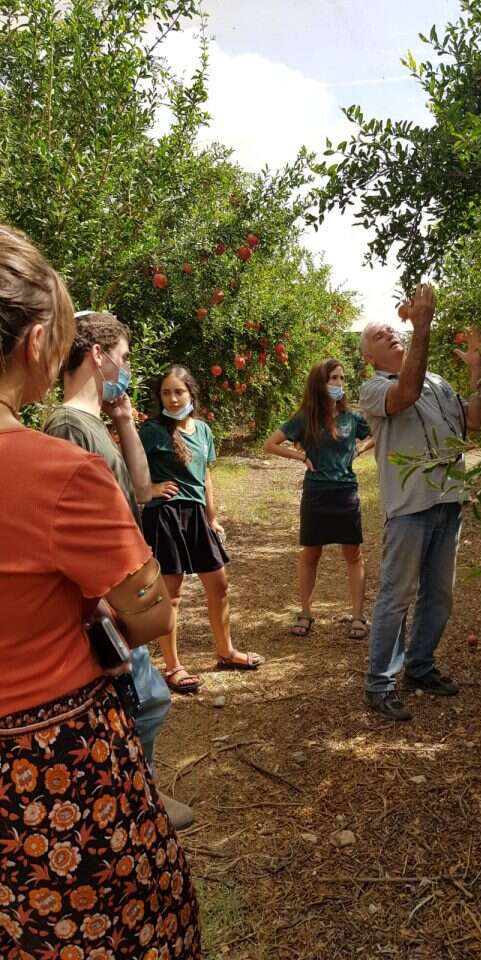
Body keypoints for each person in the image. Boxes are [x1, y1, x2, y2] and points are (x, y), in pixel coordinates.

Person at [0, 224, 201, 957]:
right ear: (36, 344)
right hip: (50, 767)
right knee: (130, 926)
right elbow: (145, 609)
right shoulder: (54, 469)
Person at [44, 310, 192, 830]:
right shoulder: (66, 425)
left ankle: (138, 796)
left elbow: (142, 488)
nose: (128, 369)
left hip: (118, 582)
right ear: (98, 355)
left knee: (141, 700)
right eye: (124, 358)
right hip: (100, 592)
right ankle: (132, 802)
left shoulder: (95, 424)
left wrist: (126, 420)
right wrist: (98, 603)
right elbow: (67, 523)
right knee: (143, 699)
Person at [359, 282, 481, 721]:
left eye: (390, 331)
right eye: (379, 337)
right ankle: (379, 682)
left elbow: (474, 422)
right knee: (397, 596)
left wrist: (476, 369)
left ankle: (420, 667)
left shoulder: (438, 381)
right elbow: (405, 394)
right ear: (369, 357)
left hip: (449, 500)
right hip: (410, 506)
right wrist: (423, 327)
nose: (390, 335)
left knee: (440, 595)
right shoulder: (373, 390)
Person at [139, 365, 265, 692]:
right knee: (173, 595)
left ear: (191, 393)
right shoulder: (151, 431)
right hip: (165, 515)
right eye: (166, 392)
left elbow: (206, 477)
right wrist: (149, 490)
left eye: (178, 391)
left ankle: (226, 652)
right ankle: (173, 667)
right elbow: (127, 469)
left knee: (219, 585)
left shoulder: (204, 430)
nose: (173, 398)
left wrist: (213, 518)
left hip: (196, 515)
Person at [263, 359, 374, 639]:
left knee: (353, 553)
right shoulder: (304, 417)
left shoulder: (352, 418)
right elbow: (270, 444)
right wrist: (301, 456)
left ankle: (359, 616)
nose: (338, 384)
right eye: (332, 378)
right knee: (311, 553)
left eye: (341, 378)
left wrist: (360, 450)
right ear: (319, 384)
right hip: (316, 493)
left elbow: (380, 432)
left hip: (346, 492)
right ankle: (305, 613)